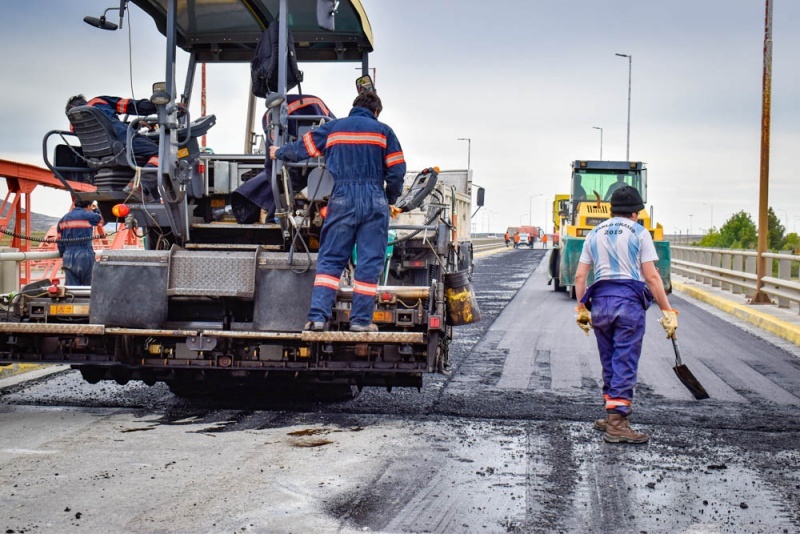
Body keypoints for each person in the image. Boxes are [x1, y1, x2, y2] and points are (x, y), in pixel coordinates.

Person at [269, 91, 405, 332]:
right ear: (375, 112)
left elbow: (302, 148)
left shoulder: (334, 128)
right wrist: (389, 198)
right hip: (374, 199)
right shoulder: (385, 131)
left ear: (354, 107)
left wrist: (278, 152)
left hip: (341, 198)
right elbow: (396, 171)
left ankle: (318, 318)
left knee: (331, 261)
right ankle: (360, 322)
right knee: (369, 262)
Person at [574, 186, 678, 444]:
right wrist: (667, 309)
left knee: (609, 360)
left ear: (611, 210)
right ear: (636, 212)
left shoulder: (594, 233)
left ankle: (612, 414)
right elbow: (652, 276)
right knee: (625, 360)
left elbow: (580, 276)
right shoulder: (640, 233)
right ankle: (618, 424)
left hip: (601, 303)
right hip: (628, 303)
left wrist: (582, 307)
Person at [232, 94, 334, 223]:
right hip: (315, 161)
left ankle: (273, 218)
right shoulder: (317, 105)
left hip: (292, 160)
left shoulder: (271, 116)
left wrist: (273, 178)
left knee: (279, 180)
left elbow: (272, 158)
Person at [65, 94, 160, 200]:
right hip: (123, 144)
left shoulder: (75, 124)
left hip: (99, 157)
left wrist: (134, 125)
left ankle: (150, 195)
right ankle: (138, 186)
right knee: (163, 153)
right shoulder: (97, 102)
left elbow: (106, 127)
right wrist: (161, 105)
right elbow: (132, 106)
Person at [57, 200, 104, 286]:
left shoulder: (63, 219)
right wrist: (96, 210)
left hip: (68, 255)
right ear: (89, 206)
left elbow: (59, 241)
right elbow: (103, 220)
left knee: (71, 288)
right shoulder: (88, 215)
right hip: (85, 255)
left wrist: (63, 254)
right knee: (89, 287)